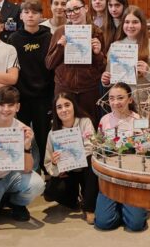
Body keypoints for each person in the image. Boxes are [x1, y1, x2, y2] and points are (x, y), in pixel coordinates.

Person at [0, 86, 46, 233]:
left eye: (10, 105)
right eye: (1, 104)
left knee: (37, 184)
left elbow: (27, 169)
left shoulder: (23, 129)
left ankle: (15, 203)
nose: (6, 109)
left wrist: (27, 145)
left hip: (11, 176)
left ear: (17, 107)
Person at [8, 0, 55, 171]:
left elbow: (52, 68)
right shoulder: (14, 38)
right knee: (21, 136)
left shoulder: (49, 37)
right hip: (22, 97)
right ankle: (22, 171)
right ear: (21, 15)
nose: (30, 16)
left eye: (34, 12)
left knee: (43, 137)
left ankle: (46, 171)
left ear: (41, 16)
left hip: (43, 97)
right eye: (26, 12)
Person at [95, 83, 148, 231]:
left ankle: (128, 205)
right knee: (103, 223)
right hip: (110, 176)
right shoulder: (104, 120)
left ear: (130, 99)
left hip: (132, 176)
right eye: (111, 98)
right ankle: (119, 205)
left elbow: (145, 148)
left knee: (136, 225)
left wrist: (139, 144)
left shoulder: (138, 119)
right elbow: (98, 147)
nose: (115, 102)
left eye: (120, 98)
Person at [45, 0, 106, 125]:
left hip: (88, 90)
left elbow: (102, 68)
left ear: (86, 8)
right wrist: (60, 48)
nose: (72, 14)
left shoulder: (96, 32)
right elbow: (49, 64)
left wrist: (97, 54)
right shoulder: (60, 32)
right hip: (64, 89)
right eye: (68, 11)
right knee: (63, 126)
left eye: (76, 9)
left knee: (90, 126)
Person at [43, 92, 98, 224]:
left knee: (91, 159)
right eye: (59, 107)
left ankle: (89, 207)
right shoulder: (53, 132)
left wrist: (73, 157)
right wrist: (56, 164)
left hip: (85, 170)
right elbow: (48, 161)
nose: (64, 110)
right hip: (67, 173)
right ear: (55, 111)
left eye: (67, 105)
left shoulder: (85, 122)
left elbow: (92, 147)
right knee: (51, 192)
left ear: (74, 106)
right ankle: (74, 199)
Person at [102, 5, 150, 90]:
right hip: (121, 101)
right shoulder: (115, 47)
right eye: (127, 22)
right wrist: (106, 80)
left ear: (142, 24)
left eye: (135, 22)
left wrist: (148, 72)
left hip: (146, 101)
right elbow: (110, 76)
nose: (130, 26)